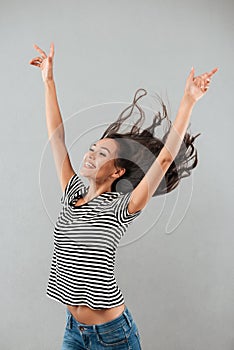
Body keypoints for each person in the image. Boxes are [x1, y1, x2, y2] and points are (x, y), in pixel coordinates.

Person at [29, 42, 218, 350]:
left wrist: (188, 102)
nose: (90, 154)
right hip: (74, 330)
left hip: (113, 336)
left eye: (102, 153)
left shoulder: (122, 207)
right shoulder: (72, 192)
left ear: (117, 172)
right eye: (92, 148)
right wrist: (48, 80)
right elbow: (57, 136)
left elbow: (165, 159)